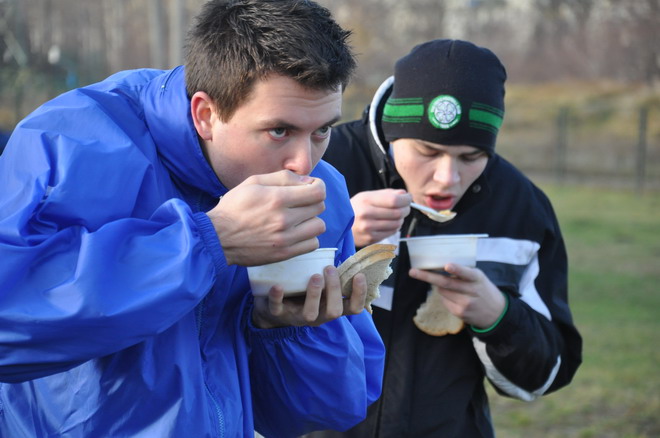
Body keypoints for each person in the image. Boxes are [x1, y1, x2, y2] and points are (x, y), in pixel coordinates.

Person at [0, 1, 386, 437]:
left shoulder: (323, 195)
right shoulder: (68, 145)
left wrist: (288, 332)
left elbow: (324, 412)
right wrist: (209, 241)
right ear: (206, 114)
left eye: (321, 131)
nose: (304, 163)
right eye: (280, 131)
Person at [307, 39, 583, 437]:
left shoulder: (519, 207)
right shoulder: (322, 161)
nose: (447, 177)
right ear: (392, 132)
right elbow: (240, 305)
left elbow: (548, 374)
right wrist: (339, 234)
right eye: (427, 151)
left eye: (471, 157)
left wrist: (499, 317)